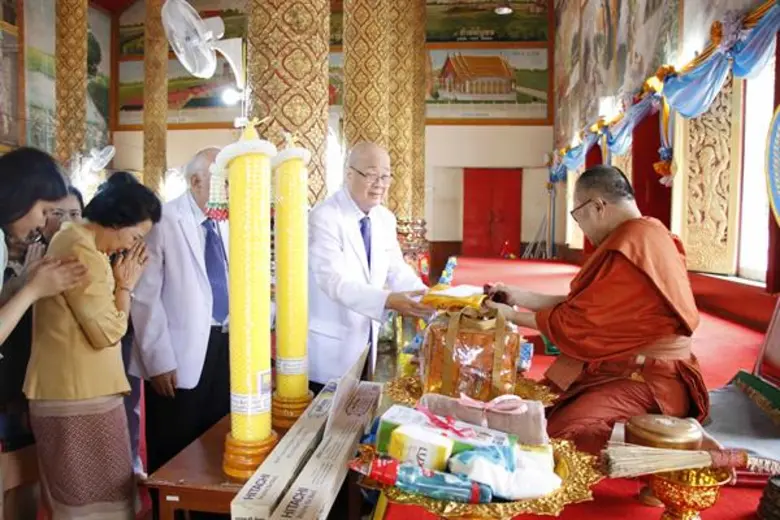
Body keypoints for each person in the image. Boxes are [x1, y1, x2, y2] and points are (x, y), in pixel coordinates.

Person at [486, 165, 708, 454]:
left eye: (579, 216)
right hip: (620, 366)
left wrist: (512, 316)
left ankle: (672, 444)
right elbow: (588, 304)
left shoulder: (632, 244)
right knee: (535, 413)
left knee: (559, 437)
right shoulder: (646, 233)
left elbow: (580, 324)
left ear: (598, 206)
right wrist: (520, 296)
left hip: (649, 380)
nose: (582, 228)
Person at [23, 180, 160, 520]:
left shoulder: (79, 241)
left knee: (93, 498)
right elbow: (107, 332)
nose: (131, 247)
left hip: (77, 391)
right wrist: (126, 286)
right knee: (92, 505)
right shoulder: (82, 250)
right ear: (117, 221)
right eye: (134, 237)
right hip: (77, 396)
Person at [130, 147, 231, 477]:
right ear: (195, 181)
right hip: (176, 355)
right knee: (175, 445)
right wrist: (158, 360)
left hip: (224, 343)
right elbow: (145, 297)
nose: (229, 190)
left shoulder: (227, 222)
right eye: (222, 182)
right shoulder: (164, 220)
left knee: (216, 438)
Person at [308, 141, 431, 391]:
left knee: (356, 416)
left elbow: (396, 269)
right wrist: (387, 300)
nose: (380, 184)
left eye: (386, 176)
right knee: (325, 421)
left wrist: (430, 299)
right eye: (372, 175)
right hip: (331, 345)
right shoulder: (325, 217)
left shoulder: (384, 218)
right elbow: (333, 281)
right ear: (349, 174)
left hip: (367, 339)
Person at [97, 171, 146, 479]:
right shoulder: (99, 242)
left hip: (128, 322)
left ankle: (130, 458)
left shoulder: (134, 241)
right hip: (105, 323)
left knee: (130, 393)